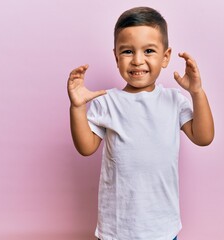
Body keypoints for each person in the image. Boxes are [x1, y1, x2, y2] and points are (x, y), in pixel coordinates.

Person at [67, 6, 214, 240]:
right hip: (117, 227)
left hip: (162, 226)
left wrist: (197, 92)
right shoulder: (107, 102)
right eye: (127, 51)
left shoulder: (173, 100)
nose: (137, 60)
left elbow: (204, 137)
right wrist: (77, 107)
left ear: (165, 57)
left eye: (148, 51)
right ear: (116, 57)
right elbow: (85, 148)